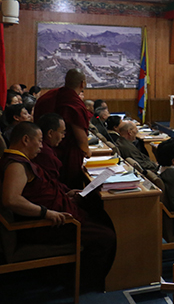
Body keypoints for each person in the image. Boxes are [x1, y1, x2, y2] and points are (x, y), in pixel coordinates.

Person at [0, 122, 116, 290]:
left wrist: (65, 194)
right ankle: (83, 283)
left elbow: (40, 191)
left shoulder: (20, 161)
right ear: (25, 140)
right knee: (106, 235)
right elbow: (11, 200)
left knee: (98, 218)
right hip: (47, 225)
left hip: (57, 214)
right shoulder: (16, 165)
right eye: (39, 141)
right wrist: (46, 213)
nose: (41, 146)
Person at [34, 70, 91, 189]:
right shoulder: (73, 102)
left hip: (41, 149)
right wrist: (87, 151)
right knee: (69, 188)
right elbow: (81, 139)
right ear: (83, 84)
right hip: (67, 156)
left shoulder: (49, 96)